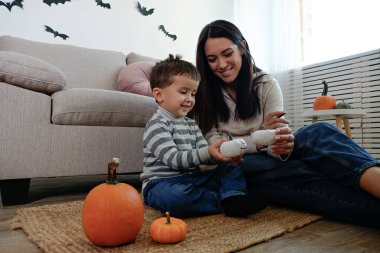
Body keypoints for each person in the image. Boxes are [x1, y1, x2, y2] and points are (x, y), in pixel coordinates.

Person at [191, 19, 380, 228]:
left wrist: (282, 145)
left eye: (227, 54)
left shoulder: (266, 84)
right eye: (212, 59)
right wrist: (261, 138)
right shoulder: (202, 95)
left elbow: (276, 146)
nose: (222, 64)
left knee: (318, 131)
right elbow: (220, 150)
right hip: (239, 167)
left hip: (269, 158)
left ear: (242, 47)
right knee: (302, 174)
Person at [140, 54, 267, 217]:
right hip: (161, 183)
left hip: (193, 179)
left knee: (231, 168)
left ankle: (234, 198)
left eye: (193, 94)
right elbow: (174, 160)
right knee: (176, 198)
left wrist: (219, 155)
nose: (190, 99)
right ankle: (224, 200)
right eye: (183, 92)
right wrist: (207, 152)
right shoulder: (157, 124)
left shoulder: (191, 124)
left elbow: (204, 153)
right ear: (159, 95)